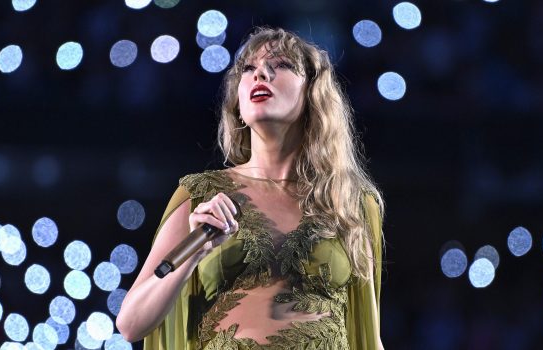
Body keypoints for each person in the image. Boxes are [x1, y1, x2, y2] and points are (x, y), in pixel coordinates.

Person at [116, 27, 385, 350]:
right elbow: (131, 324)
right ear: (237, 101)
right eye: (249, 69)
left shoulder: (350, 201)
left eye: (282, 64)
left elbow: (368, 334)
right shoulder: (202, 195)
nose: (261, 74)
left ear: (314, 92)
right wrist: (194, 253)